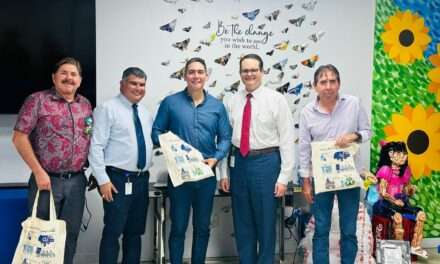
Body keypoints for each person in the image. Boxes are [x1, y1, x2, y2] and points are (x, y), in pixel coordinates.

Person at [12, 57, 92, 264]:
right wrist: (39, 172)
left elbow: (88, 137)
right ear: (54, 77)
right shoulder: (37, 100)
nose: (69, 78)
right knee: (42, 237)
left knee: (70, 235)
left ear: (80, 80)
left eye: (74, 74)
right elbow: (19, 137)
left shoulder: (85, 105)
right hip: (46, 181)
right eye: (64, 73)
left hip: (77, 182)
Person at [152, 57, 231, 264]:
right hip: (179, 177)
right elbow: (156, 131)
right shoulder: (170, 103)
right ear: (184, 75)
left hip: (206, 176)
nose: (196, 76)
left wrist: (216, 157)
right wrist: (170, 146)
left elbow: (225, 138)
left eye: (200, 72)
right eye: (192, 72)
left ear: (206, 75)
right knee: (178, 227)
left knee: (203, 227)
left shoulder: (217, 107)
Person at [220, 53, 295, 264]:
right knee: (242, 223)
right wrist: (224, 172)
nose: (249, 74)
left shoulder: (276, 100)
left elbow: (287, 139)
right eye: (245, 70)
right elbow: (226, 138)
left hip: (267, 164)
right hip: (238, 164)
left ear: (262, 72)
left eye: (254, 70)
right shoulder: (232, 100)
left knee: (265, 224)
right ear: (240, 73)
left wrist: (283, 177)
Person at [298, 64, 372, 264]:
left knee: (349, 230)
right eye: (323, 82)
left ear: (339, 84)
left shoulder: (354, 104)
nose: (328, 86)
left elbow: (367, 132)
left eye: (332, 81)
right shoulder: (307, 113)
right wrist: (305, 182)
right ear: (315, 86)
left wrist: (353, 135)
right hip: (321, 180)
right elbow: (304, 148)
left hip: (348, 178)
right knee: (320, 229)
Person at [88, 67, 153, 264]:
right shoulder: (107, 109)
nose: (138, 88)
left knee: (135, 233)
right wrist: (103, 180)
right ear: (122, 84)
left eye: (142, 85)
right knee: (113, 232)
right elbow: (96, 147)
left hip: (141, 180)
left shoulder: (145, 113)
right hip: (116, 180)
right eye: (134, 83)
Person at [373, 141, 428, 258]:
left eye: (404, 153)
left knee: (420, 214)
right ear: (391, 154)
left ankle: (415, 246)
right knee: (398, 217)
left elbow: (406, 192)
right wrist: (394, 201)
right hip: (384, 203)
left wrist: (411, 190)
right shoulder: (386, 169)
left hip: (400, 202)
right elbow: (383, 193)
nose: (403, 156)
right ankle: (399, 249)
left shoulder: (406, 170)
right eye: (399, 153)